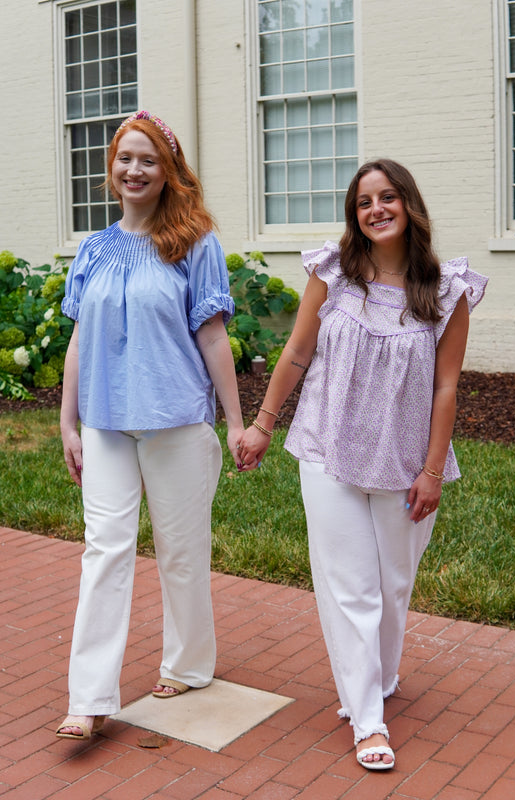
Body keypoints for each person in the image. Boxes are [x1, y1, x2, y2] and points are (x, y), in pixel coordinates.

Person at [238, 159, 487, 770]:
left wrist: (432, 470)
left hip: (405, 462)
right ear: (355, 214)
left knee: (393, 586)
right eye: (363, 202)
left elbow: (446, 388)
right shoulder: (334, 275)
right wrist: (264, 423)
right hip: (328, 448)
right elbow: (298, 351)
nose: (375, 210)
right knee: (350, 587)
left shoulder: (446, 290)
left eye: (387, 198)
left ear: (408, 205)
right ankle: (367, 721)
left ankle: (377, 676)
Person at [56, 111, 245, 740]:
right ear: (112, 168)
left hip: (177, 419)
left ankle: (189, 664)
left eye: (149, 160)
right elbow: (80, 337)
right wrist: (68, 422)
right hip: (107, 423)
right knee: (103, 550)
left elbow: (213, 334)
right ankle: (88, 697)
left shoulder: (194, 243)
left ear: (169, 172)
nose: (134, 170)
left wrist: (238, 423)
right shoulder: (94, 248)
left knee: (181, 552)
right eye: (125, 158)